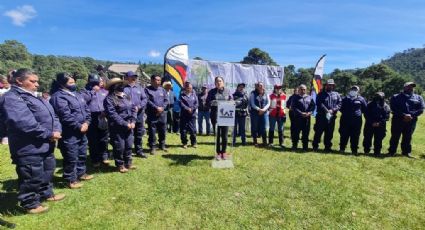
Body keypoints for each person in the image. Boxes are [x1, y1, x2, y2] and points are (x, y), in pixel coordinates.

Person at [0, 68, 65, 214]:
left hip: (45, 143)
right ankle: (30, 203)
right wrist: (49, 134)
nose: (37, 84)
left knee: (47, 170)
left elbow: (52, 115)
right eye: (32, 81)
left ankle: (46, 193)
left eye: (37, 81)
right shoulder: (12, 98)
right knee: (32, 174)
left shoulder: (35, 96)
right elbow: (23, 123)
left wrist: (57, 130)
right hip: (28, 146)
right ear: (19, 81)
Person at [50, 73, 93, 189]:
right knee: (71, 156)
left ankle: (81, 173)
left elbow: (86, 110)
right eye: (70, 83)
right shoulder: (58, 97)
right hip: (69, 133)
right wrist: (79, 126)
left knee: (82, 153)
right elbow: (65, 116)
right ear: (62, 84)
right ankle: (71, 179)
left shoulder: (77, 95)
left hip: (82, 131)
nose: (74, 84)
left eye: (74, 82)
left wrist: (87, 123)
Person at [104, 78, 137, 173]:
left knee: (129, 144)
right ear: (114, 87)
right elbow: (112, 114)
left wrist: (133, 121)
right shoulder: (109, 99)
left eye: (122, 84)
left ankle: (128, 163)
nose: (122, 86)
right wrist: (125, 124)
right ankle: (120, 164)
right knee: (120, 146)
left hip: (129, 125)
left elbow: (133, 109)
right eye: (119, 84)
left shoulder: (126, 96)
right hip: (117, 127)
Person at [388, 82, 425, 157]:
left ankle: (406, 152)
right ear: (404, 87)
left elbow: (421, 109)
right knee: (395, 136)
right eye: (409, 87)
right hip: (398, 120)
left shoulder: (418, 97)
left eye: (412, 87)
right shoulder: (395, 97)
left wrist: (411, 115)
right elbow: (393, 108)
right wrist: (404, 115)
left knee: (408, 136)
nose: (411, 88)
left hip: (411, 121)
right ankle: (392, 151)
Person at [81, 74, 110, 167]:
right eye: (94, 82)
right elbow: (83, 101)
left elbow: (108, 103)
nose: (97, 84)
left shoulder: (105, 92)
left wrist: (106, 112)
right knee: (93, 140)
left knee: (104, 138)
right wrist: (93, 91)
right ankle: (95, 159)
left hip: (103, 116)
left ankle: (104, 157)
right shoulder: (84, 91)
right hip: (91, 117)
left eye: (98, 82)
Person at [206, 76, 233, 160]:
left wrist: (231, 102)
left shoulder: (228, 91)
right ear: (215, 83)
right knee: (217, 135)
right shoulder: (211, 92)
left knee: (224, 136)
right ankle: (218, 153)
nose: (218, 83)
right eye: (217, 81)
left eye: (220, 81)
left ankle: (224, 152)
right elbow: (207, 103)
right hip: (215, 115)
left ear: (223, 82)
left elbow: (231, 100)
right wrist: (212, 102)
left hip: (225, 116)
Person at [312, 79, 342, 152]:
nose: (330, 86)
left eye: (332, 85)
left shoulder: (336, 94)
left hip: (331, 117)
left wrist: (333, 110)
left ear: (333, 86)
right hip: (321, 117)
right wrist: (327, 110)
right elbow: (319, 103)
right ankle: (315, 146)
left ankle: (327, 147)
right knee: (318, 132)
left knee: (329, 133)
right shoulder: (320, 94)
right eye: (329, 85)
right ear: (326, 85)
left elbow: (339, 104)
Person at [124, 71, 148, 158]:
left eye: (135, 77)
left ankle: (139, 151)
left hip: (139, 114)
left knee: (139, 133)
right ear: (127, 77)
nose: (134, 78)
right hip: (128, 115)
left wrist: (139, 106)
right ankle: (128, 152)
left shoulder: (140, 88)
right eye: (132, 77)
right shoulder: (123, 88)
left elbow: (145, 99)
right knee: (128, 133)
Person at [338, 86, 367, 155]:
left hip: (356, 121)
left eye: (355, 89)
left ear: (358, 91)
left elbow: (364, 109)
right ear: (350, 90)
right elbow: (340, 108)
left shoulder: (361, 99)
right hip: (345, 120)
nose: (354, 90)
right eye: (352, 89)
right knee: (344, 134)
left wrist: (357, 113)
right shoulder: (344, 99)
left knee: (355, 135)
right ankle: (342, 149)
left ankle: (354, 150)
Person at [145, 75, 169, 154]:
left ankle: (162, 145)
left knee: (162, 130)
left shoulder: (162, 90)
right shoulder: (147, 90)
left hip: (162, 114)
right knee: (152, 131)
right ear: (152, 80)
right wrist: (156, 108)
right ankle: (152, 147)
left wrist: (162, 108)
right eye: (157, 80)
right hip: (152, 114)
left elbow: (166, 100)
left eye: (159, 80)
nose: (158, 81)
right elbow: (147, 101)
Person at [363, 92, 390, 156]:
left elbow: (387, 116)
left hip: (380, 125)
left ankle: (377, 151)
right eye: (377, 96)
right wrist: (372, 122)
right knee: (367, 138)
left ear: (383, 97)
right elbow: (366, 114)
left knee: (378, 139)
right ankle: (366, 150)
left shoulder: (386, 106)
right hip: (369, 124)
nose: (378, 98)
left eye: (380, 97)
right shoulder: (369, 104)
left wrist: (379, 123)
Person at [290, 84, 315, 151]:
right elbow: (293, 107)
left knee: (305, 133)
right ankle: (294, 146)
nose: (303, 90)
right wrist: (301, 113)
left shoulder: (309, 97)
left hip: (306, 119)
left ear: (306, 90)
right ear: (299, 89)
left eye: (304, 89)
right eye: (301, 89)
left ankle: (305, 147)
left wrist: (309, 113)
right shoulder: (295, 97)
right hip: (297, 118)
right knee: (296, 133)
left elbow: (313, 107)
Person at [249, 82, 270, 147]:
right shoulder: (253, 93)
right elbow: (252, 104)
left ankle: (264, 142)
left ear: (263, 86)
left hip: (264, 113)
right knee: (254, 127)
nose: (260, 86)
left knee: (263, 127)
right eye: (259, 86)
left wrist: (263, 110)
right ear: (257, 87)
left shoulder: (266, 93)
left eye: (261, 85)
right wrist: (259, 109)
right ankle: (255, 141)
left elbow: (268, 103)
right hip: (255, 113)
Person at [179, 82, 198, 148]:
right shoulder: (182, 95)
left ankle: (194, 143)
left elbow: (196, 103)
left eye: (191, 88)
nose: (190, 89)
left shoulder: (194, 94)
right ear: (185, 88)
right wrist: (187, 109)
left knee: (193, 130)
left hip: (192, 115)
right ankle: (184, 143)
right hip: (184, 115)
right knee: (183, 130)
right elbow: (181, 103)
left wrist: (192, 109)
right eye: (189, 88)